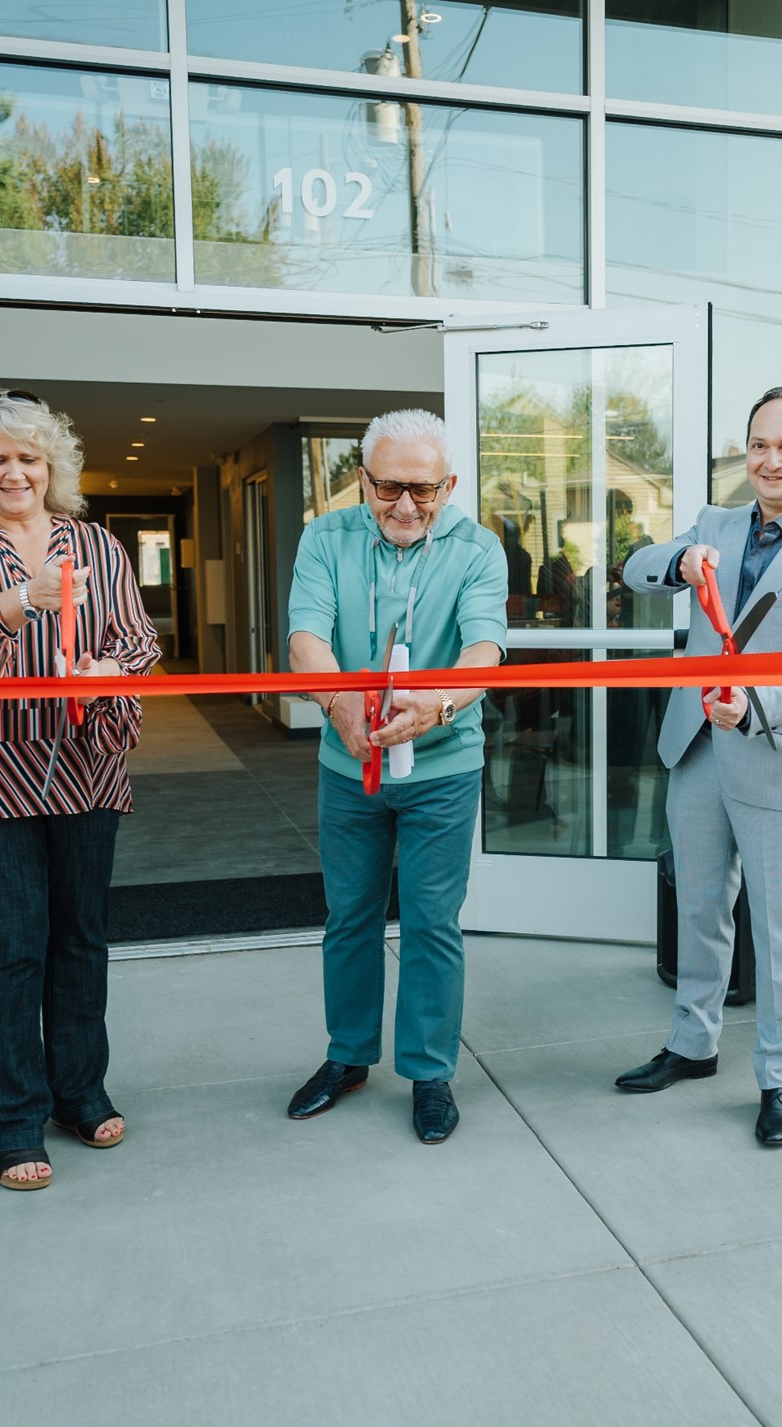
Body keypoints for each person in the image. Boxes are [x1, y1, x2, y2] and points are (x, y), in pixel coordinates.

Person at [0, 391, 159, 1191]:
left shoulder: (94, 541)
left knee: (81, 937)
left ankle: (79, 1091)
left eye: (27, 457)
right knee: (14, 945)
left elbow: (137, 641)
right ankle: (11, 1119)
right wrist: (23, 600)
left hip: (85, 763)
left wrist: (110, 669)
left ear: (51, 466)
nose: (13, 472)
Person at [613, 387, 782, 1147]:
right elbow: (635, 568)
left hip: (775, 757)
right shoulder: (713, 523)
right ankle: (692, 1045)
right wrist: (679, 559)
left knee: (781, 927)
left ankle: (780, 1075)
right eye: (760, 444)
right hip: (695, 746)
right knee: (697, 905)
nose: (771, 459)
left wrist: (753, 706)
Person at [284, 409, 506, 1145]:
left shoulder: (478, 550)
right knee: (348, 914)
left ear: (448, 484)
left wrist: (437, 705)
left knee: (431, 922)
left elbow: (483, 649)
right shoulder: (325, 537)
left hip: (443, 764)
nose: (404, 507)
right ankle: (347, 1056)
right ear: (362, 479)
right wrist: (339, 705)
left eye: (421, 489)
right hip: (348, 762)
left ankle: (429, 1070)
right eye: (386, 489)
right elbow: (306, 634)